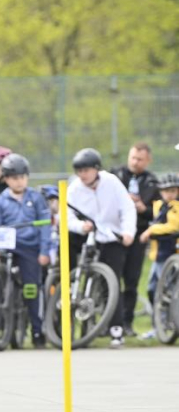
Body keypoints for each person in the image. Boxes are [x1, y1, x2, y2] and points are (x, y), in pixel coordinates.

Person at [67, 148, 136, 349]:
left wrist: (127, 232)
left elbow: (127, 207)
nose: (83, 175)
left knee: (112, 280)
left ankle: (116, 330)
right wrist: (80, 226)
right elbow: (67, 214)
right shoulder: (74, 189)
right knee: (77, 270)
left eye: (86, 170)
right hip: (87, 235)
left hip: (111, 236)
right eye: (79, 171)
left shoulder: (111, 182)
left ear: (96, 169)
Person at [0, 154, 52, 348]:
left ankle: (36, 329)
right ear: (6, 179)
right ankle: (0, 324)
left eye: (23, 177)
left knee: (32, 288)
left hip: (30, 246)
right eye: (15, 178)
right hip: (8, 246)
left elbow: (45, 226)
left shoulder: (36, 198)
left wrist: (44, 251)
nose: (19, 181)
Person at [110, 143, 159, 337]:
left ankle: (126, 322)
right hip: (114, 234)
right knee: (111, 279)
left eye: (140, 159)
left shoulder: (152, 183)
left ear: (148, 160)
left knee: (131, 280)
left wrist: (142, 209)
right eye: (133, 157)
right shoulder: (114, 176)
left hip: (138, 236)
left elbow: (158, 213)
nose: (135, 162)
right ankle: (109, 324)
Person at [139, 173, 179, 340]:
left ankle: (167, 324)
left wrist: (151, 230)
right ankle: (158, 325)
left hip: (171, 255)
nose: (168, 194)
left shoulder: (176, 207)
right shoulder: (158, 206)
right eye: (165, 191)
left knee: (167, 291)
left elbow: (173, 226)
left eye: (172, 191)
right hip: (158, 255)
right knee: (152, 289)